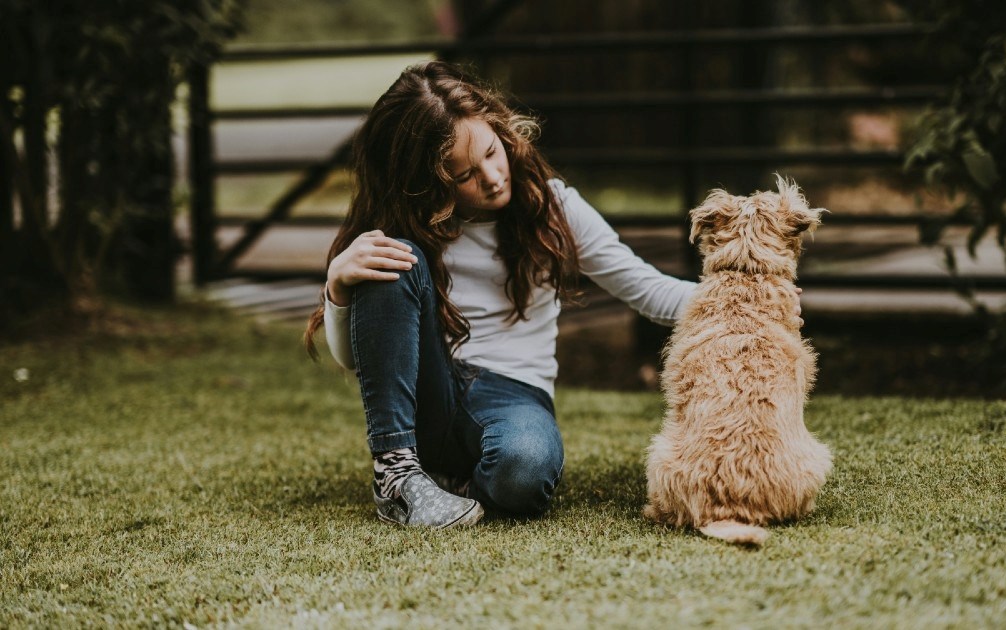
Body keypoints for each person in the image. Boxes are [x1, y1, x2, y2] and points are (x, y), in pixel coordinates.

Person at [303, 60, 801, 529]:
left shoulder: (553, 206)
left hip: (513, 391)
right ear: (423, 184)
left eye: (491, 153)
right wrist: (339, 288)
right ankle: (397, 476)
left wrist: (748, 305)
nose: (493, 177)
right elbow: (357, 365)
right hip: (427, 391)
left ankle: (448, 486)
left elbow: (646, 289)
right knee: (392, 257)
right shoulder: (399, 233)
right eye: (463, 175)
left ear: (502, 130)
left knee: (524, 475)